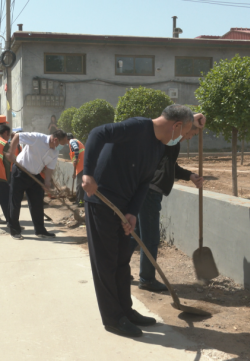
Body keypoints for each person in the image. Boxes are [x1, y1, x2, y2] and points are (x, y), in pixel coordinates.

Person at [81, 104, 195, 338]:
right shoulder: (137, 127)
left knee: (122, 262)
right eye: (185, 132)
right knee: (106, 263)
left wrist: (133, 212)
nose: (184, 137)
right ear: (176, 126)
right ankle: (113, 318)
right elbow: (97, 133)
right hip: (100, 201)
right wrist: (88, 173)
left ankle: (126, 311)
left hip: (124, 208)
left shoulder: (158, 147)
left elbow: (144, 182)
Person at [130, 113, 206, 292]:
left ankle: (119, 268)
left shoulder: (172, 143)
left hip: (148, 190)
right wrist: (193, 118)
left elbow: (171, 167)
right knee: (150, 238)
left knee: (137, 233)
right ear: (185, 127)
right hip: (150, 191)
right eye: (191, 134)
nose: (189, 137)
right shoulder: (167, 140)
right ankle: (147, 279)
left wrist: (190, 176)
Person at [5, 129, 69, 240]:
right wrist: (11, 152)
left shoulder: (54, 152)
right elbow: (17, 136)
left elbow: (49, 169)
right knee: (15, 202)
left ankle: (40, 230)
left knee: (37, 204)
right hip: (20, 171)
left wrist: (47, 183)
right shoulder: (37, 138)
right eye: (60, 144)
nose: (60, 147)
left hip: (35, 176)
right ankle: (14, 230)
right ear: (55, 140)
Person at [67, 133, 85, 207]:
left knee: (79, 185)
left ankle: (80, 202)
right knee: (80, 184)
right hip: (82, 165)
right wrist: (74, 172)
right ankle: (78, 200)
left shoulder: (72, 141)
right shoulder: (77, 141)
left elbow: (76, 149)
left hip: (81, 165)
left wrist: (76, 158)